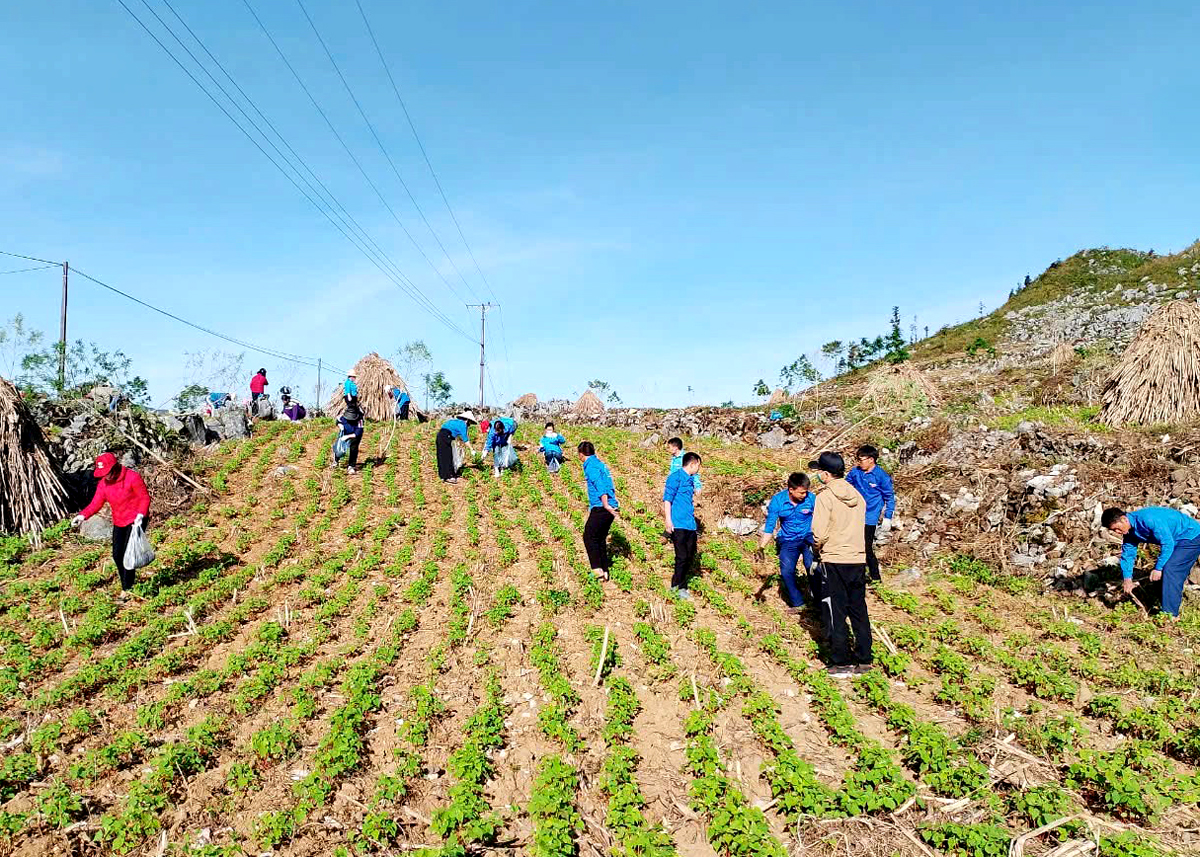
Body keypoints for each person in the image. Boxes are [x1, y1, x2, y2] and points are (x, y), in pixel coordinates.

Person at [809, 451, 872, 676]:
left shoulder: (825, 498)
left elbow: (819, 533)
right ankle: (864, 659)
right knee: (858, 610)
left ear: (826, 474)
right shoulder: (858, 496)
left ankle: (841, 662)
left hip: (835, 559)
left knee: (835, 611)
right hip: (857, 559)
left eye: (819, 472)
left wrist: (816, 549)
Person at [71, 452, 151, 598]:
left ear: (115, 468)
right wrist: (82, 516)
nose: (106, 476)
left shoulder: (132, 477)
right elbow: (96, 503)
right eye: (103, 474)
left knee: (128, 554)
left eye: (107, 473)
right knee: (117, 555)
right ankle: (127, 583)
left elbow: (144, 497)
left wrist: (141, 514)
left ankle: (127, 589)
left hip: (136, 520)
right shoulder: (103, 484)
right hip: (119, 521)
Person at [1103, 506, 1200, 619]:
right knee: (1164, 571)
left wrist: (1158, 568)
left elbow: (1167, 543)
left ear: (1124, 519)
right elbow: (1128, 555)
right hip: (1175, 540)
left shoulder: (1148, 520)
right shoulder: (1130, 532)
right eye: (1114, 530)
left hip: (1191, 536)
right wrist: (1127, 579)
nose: (1118, 532)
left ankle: (1171, 616)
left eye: (1117, 528)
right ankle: (1163, 606)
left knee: (1171, 569)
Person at [754, 472, 817, 613]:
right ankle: (798, 603)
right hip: (788, 539)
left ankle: (819, 602)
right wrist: (761, 547)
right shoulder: (778, 501)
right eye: (801, 493)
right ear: (791, 490)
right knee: (787, 571)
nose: (804, 495)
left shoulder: (812, 499)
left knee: (812, 568)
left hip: (808, 537)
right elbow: (770, 526)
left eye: (806, 492)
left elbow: (822, 519)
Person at [845, 445, 895, 583]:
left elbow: (889, 497)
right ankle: (855, 576)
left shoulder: (881, 476)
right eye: (858, 459)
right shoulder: (856, 473)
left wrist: (887, 517)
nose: (859, 462)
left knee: (866, 548)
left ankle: (876, 578)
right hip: (854, 515)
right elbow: (845, 487)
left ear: (871, 460)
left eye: (861, 459)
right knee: (852, 546)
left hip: (870, 517)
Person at [663, 452, 702, 598]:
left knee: (691, 555)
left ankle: (681, 584)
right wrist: (668, 520)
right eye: (698, 465)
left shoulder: (691, 480)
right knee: (681, 556)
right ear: (693, 464)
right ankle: (677, 586)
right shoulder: (675, 477)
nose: (698, 469)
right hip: (678, 523)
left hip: (690, 524)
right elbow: (667, 500)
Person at [579, 441, 619, 579]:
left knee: (589, 536)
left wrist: (606, 504)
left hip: (602, 507)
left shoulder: (591, 466)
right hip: (610, 506)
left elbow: (600, 485)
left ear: (581, 454)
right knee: (599, 538)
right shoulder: (601, 464)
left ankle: (596, 569)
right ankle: (604, 571)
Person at [436, 411, 477, 483]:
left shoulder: (455, 421)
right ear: (467, 420)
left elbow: (456, 435)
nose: (469, 425)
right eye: (470, 423)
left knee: (441, 455)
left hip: (440, 435)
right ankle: (448, 476)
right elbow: (465, 439)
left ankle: (442, 475)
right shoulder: (462, 425)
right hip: (446, 436)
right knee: (447, 456)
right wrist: (472, 449)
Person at [338, 383, 364, 475]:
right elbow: (338, 420)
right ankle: (336, 460)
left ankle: (351, 466)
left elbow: (358, 433)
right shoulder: (344, 417)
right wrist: (340, 425)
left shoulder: (359, 420)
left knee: (353, 446)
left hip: (354, 435)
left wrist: (347, 437)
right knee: (339, 445)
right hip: (345, 432)